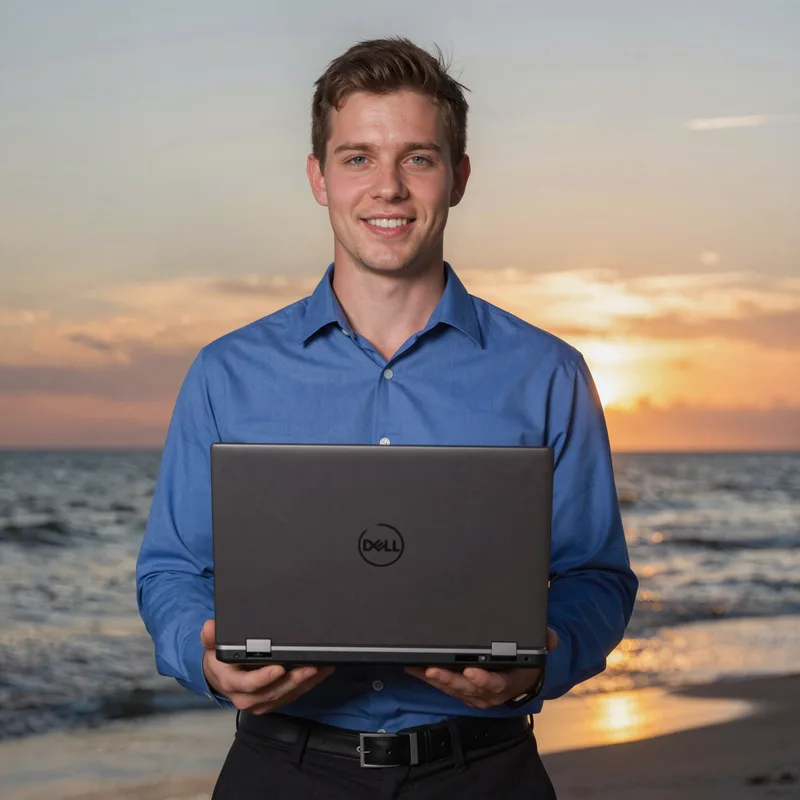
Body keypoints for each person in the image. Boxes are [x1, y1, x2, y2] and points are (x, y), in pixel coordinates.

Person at [136, 37, 638, 799]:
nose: (389, 188)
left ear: (459, 177)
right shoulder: (226, 372)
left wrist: (544, 656)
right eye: (358, 158)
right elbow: (172, 570)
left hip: (485, 772)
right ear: (318, 177)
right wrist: (201, 653)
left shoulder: (547, 373)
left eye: (418, 158)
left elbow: (595, 577)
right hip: (282, 770)